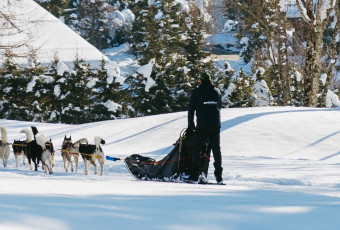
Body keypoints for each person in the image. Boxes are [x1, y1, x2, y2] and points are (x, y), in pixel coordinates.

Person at [187, 72, 223, 184]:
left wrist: (190, 125)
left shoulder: (197, 92)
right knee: (216, 150)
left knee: (197, 149)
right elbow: (219, 106)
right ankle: (219, 178)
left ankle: (194, 176)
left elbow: (191, 109)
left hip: (202, 125)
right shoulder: (217, 91)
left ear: (200, 80)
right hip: (215, 125)